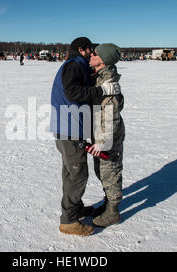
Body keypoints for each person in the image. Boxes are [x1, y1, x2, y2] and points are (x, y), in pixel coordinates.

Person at [49, 37, 121, 236]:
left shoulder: (77, 64)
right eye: (91, 49)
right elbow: (72, 92)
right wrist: (101, 90)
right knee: (78, 175)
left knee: (70, 173)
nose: (92, 52)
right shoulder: (74, 65)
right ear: (81, 49)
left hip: (67, 128)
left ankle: (75, 208)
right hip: (69, 129)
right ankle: (69, 221)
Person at [87, 43, 125, 227]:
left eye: (94, 53)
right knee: (101, 170)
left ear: (102, 60)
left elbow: (110, 116)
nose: (90, 55)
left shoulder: (107, 81)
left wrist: (103, 142)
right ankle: (108, 202)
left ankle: (113, 212)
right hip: (100, 132)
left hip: (108, 136)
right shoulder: (99, 76)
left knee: (110, 171)